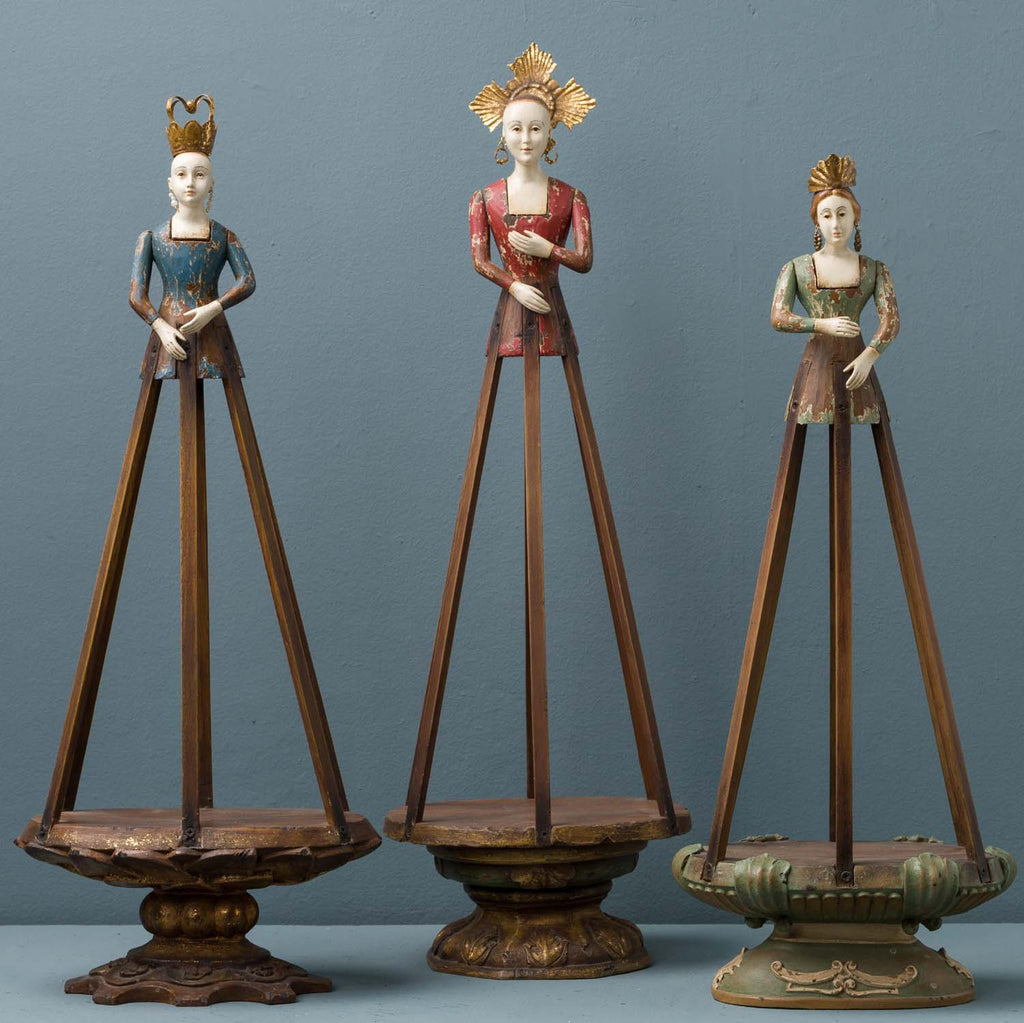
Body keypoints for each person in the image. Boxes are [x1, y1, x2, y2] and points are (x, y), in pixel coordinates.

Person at [129, 95, 254, 381]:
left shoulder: (224, 236)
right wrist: (160, 327)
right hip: (168, 335)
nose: (189, 183)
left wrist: (213, 308)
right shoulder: (152, 238)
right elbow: (136, 295)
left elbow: (247, 280)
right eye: (181, 174)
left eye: (199, 175)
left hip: (213, 331)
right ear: (170, 183)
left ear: (211, 183)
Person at [770, 153, 899, 424]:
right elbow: (779, 317)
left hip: (857, 367)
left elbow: (891, 321)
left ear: (855, 217)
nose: (836, 225)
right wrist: (822, 324)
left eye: (842, 214)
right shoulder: (797, 268)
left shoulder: (873, 269)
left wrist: (869, 356)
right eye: (826, 216)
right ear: (817, 222)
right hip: (815, 371)